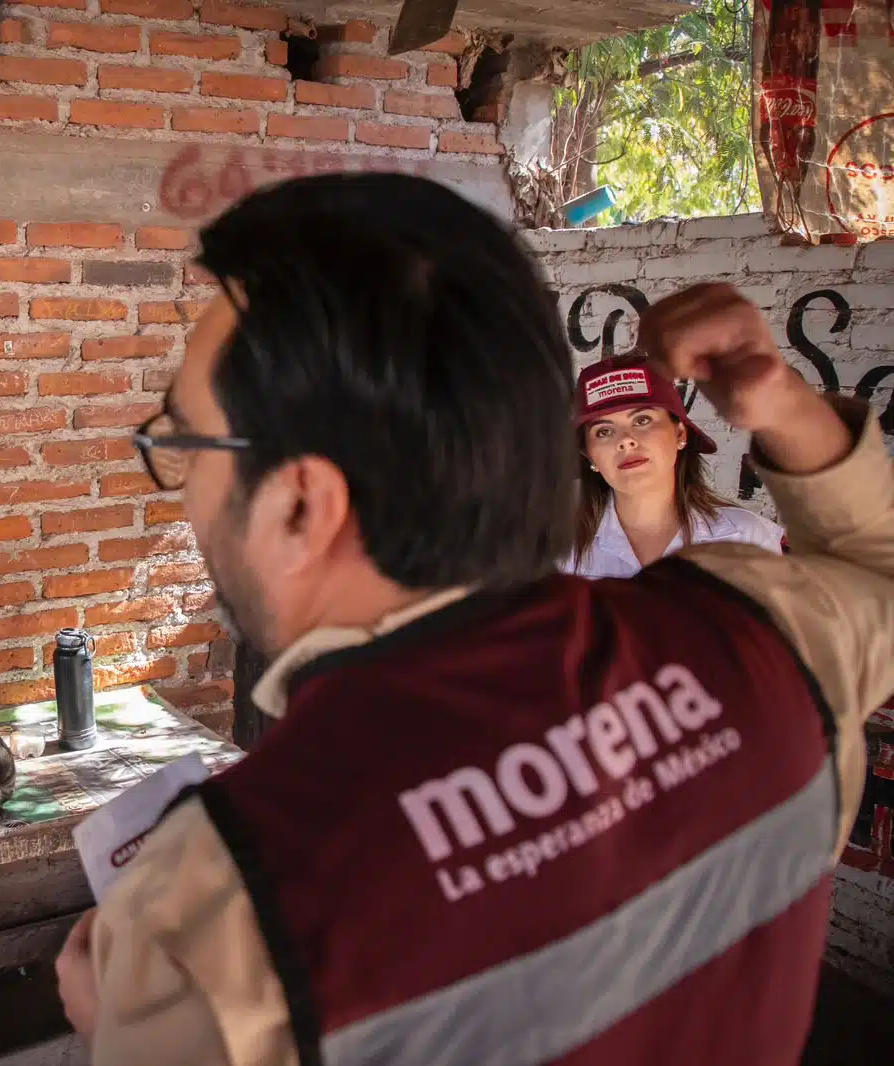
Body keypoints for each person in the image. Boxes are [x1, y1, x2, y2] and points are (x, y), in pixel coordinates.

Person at [55, 174, 894, 1066]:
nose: (183, 491)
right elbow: (872, 569)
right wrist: (784, 406)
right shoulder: (753, 635)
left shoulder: (216, 905)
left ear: (303, 504)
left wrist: (123, 1016)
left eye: (186, 444)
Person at [566, 354, 782, 577]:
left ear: (679, 433)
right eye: (604, 431)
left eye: (642, 420)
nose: (625, 440)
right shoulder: (560, 553)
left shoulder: (747, 538)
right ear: (589, 455)